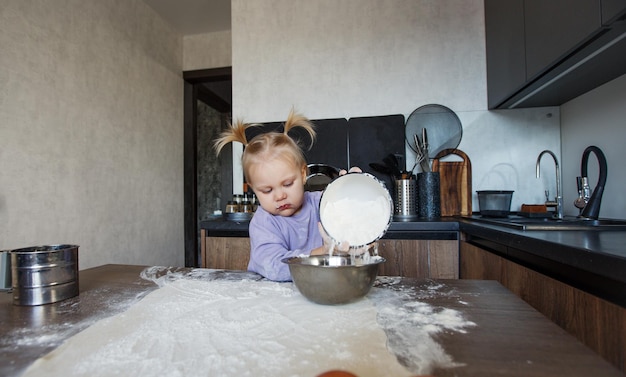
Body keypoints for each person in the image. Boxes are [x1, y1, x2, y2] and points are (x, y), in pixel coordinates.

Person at [214, 109, 358, 281]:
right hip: (272, 299)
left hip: (320, 290)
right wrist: (323, 252)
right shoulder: (263, 223)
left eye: (288, 184)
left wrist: (349, 192)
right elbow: (274, 265)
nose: (280, 196)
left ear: (303, 174)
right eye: (267, 190)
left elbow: (349, 214)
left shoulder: (322, 203)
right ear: (253, 188)